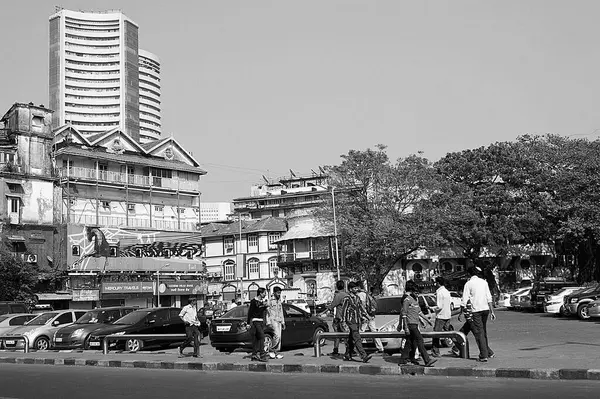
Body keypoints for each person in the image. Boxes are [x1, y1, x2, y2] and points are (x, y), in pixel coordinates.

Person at [461, 266, 497, 362]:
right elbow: (489, 297)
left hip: (476, 310)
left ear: (469, 274)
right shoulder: (484, 282)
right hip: (485, 309)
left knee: (479, 332)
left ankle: (483, 354)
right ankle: (488, 352)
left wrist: (461, 312)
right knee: (483, 331)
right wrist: (492, 311)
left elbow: (464, 300)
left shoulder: (468, 284)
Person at [398, 280, 437, 367]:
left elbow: (420, 313)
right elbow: (403, 314)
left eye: (418, 293)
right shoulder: (407, 300)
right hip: (410, 324)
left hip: (415, 323)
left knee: (411, 342)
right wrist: (405, 326)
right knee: (420, 340)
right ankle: (427, 360)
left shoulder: (415, 301)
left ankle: (403, 359)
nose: (417, 294)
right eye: (416, 293)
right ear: (412, 292)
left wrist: (427, 320)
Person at [340, 282, 372, 363]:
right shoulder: (347, 299)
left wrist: (367, 317)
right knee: (357, 338)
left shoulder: (357, 298)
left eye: (356, 288)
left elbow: (361, 309)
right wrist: (343, 321)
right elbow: (344, 311)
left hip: (357, 321)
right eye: (354, 288)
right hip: (350, 321)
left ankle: (347, 355)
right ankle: (363, 355)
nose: (356, 289)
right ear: (350, 289)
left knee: (351, 339)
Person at [429, 277, 452, 357]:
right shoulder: (447, 292)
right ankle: (458, 346)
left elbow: (439, 306)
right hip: (448, 315)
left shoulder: (439, 292)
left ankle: (435, 351)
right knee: (449, 334)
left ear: (438, 283)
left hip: (441, 316)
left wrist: (431, 308)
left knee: (436, 334)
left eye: (436, 283)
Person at [326, 280, 348, 356]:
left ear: (337, 286)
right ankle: (348, 350)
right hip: (346, 318)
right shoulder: (347, 295)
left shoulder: (338, 296)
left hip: (339, 318)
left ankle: (336, 350)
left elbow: (332, 306)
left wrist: (327, 308)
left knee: (337, 335)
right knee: (346, 336)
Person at [247, 287, 269, 362]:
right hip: (255, 321)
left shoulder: (263, 301)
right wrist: (248, 323)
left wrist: (265, 306)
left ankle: (254, 355)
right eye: (264, 293)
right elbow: (250, 312)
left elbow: (262, 311)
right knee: (262, 336)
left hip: (261, 321)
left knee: (256, 338)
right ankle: (262, 355)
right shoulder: (253, 301)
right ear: (260, 293)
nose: (265, 294)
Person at [360, 286, 384, 353]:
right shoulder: (372, 297)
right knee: (374, 332)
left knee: (361, 332)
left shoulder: (365, 296)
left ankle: (357, 347)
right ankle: (380, 347)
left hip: (366, 316)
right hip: (371, 316)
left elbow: (363, 307)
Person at [266, 286, 285, 359]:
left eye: (280, 293)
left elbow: (281, 312)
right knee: (277, 336)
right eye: (278, 293)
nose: (279, 294)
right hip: (273, 320)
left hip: (279, 320)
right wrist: (268, 322)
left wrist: (283, 322)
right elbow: (267, 312)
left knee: (279, 338)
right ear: (274, 293)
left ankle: (276, 352)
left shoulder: (279, 301)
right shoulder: (270, 300)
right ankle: (271, 350)